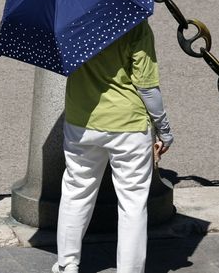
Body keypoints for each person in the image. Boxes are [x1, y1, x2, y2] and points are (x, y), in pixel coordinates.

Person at [53, 19, 174, 273]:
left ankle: (67, 264)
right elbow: (148, 88)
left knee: (76, 190)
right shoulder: (134, 23)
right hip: (129, 125)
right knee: (132, 202)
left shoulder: (71, 18)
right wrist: (163, 128)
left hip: (81, 120)